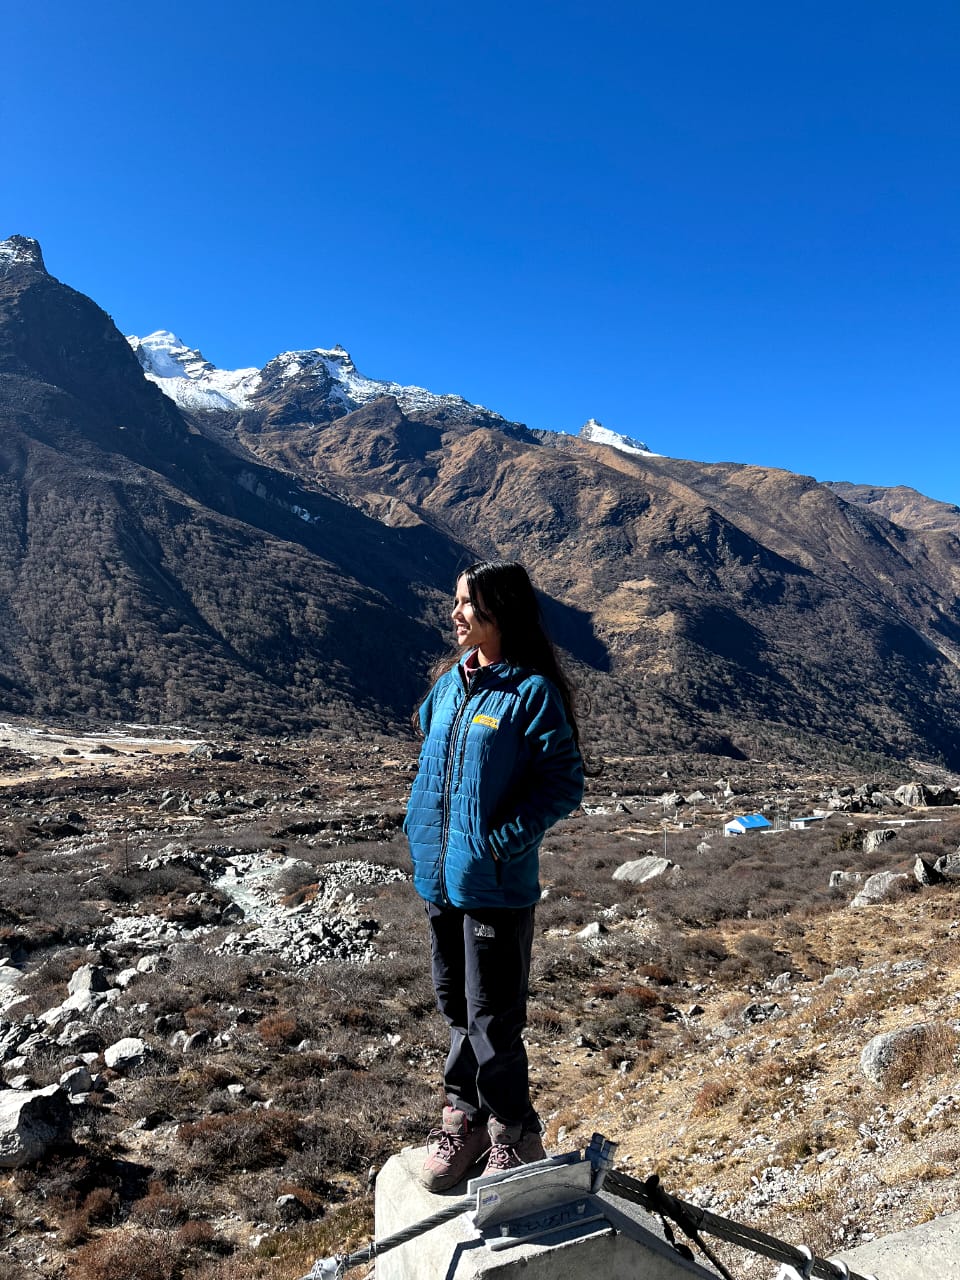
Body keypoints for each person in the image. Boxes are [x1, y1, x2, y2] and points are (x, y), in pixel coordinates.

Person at [404, 560, 586, 1192]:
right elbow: (429, 740)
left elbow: (562, 783)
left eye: (468, 606)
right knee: (456, 1007)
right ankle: (465, 1118)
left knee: (493, 1018)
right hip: (439, 879)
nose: (455, 615)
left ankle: (513, 1130)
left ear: (500, 614)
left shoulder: (530, 693)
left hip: (495, 884)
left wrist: (500, 840)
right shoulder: (450, 686)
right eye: (456, 602)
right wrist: (423, 827)